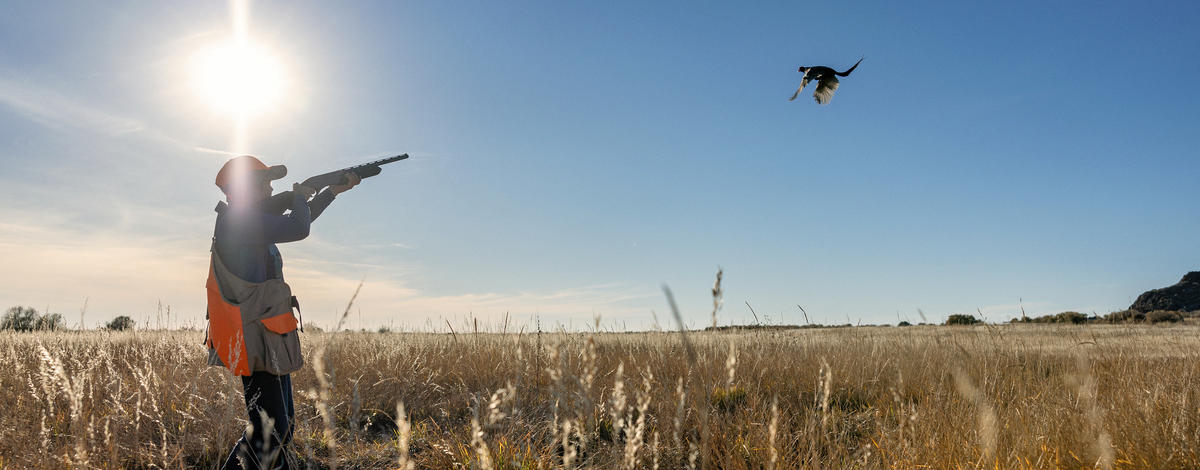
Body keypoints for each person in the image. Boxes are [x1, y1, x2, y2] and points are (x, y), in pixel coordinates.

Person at [206, 155, 359, 470]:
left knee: (278, 429)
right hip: (256, 340)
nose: (271, 188)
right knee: (271, 432)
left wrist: (329, 192)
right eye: (265, 182)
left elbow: (297, 222)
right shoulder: (239, 222)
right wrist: (301, 196)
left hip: (266, 336)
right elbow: (298, 227)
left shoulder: (246, 222)